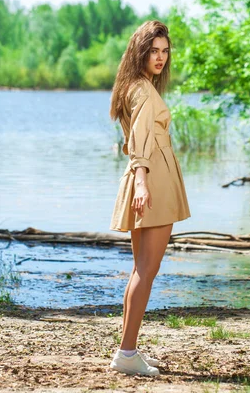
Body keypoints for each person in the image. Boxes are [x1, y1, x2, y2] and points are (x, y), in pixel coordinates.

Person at [108, 20, 191, 376]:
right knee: (147, 269)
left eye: (164, 51)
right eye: (153, 50)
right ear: (140, 52)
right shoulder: (142, 90)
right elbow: (140, 141)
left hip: (147, 178)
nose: (160, 57)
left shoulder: (133, 86)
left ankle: (128, 350)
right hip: (152, 180)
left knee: (141, 269)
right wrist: (142, 183)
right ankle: (127, 353)